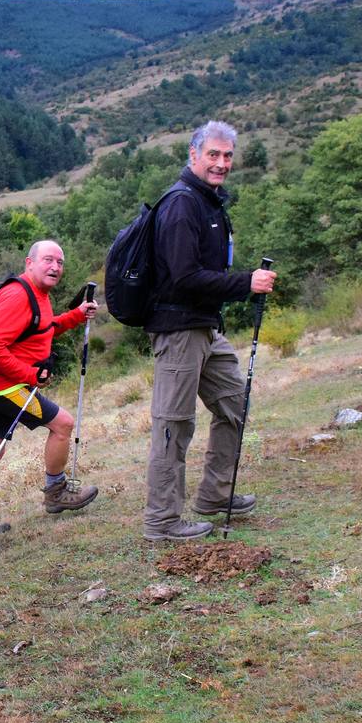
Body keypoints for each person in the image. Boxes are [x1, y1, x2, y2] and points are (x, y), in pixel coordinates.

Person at [142, 120, 276, 541]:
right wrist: (244, 283)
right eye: (213, 155)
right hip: (178, 329)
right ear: (194, 155)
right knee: (173, 424)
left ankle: (215, 494)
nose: (221, 163)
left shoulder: (210, 202)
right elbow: (184, 277)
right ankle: (162, 520)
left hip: (204, 327)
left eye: (228, 156)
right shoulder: (183, 205)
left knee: (235, 402)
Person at [0, 240, 100, 535]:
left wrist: (76, 316)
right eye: (48, 260)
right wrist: (29, 374)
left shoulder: (38, 294)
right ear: (30, 263)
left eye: (60, 263)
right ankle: (56, 492)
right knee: (63, 424)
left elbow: (41, 329)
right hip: (2, 386)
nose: (55, 267)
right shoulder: (18, 295)